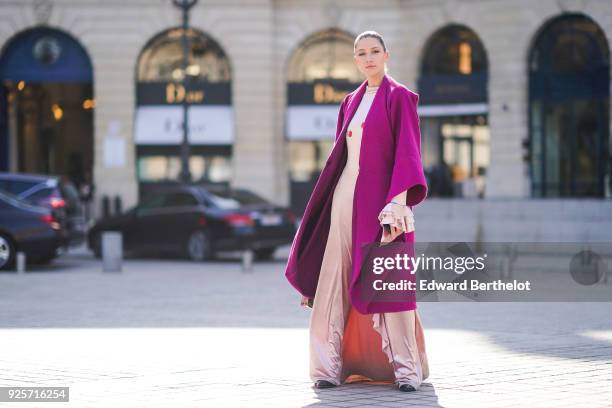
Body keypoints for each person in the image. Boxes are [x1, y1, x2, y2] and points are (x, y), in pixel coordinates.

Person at [285, 30, 430, 393]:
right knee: (332, 279)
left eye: (374, 51)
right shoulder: (349, 101)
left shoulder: (401, 98)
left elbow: (408, 154)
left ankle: (407, 371)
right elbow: (340, 158)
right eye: (361, 53)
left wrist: (397, 204)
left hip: (384, 206)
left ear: (386, 55)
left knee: (389, 283)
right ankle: (325, 368)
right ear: (355, 59)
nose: (368, 58)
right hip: (343, 200)